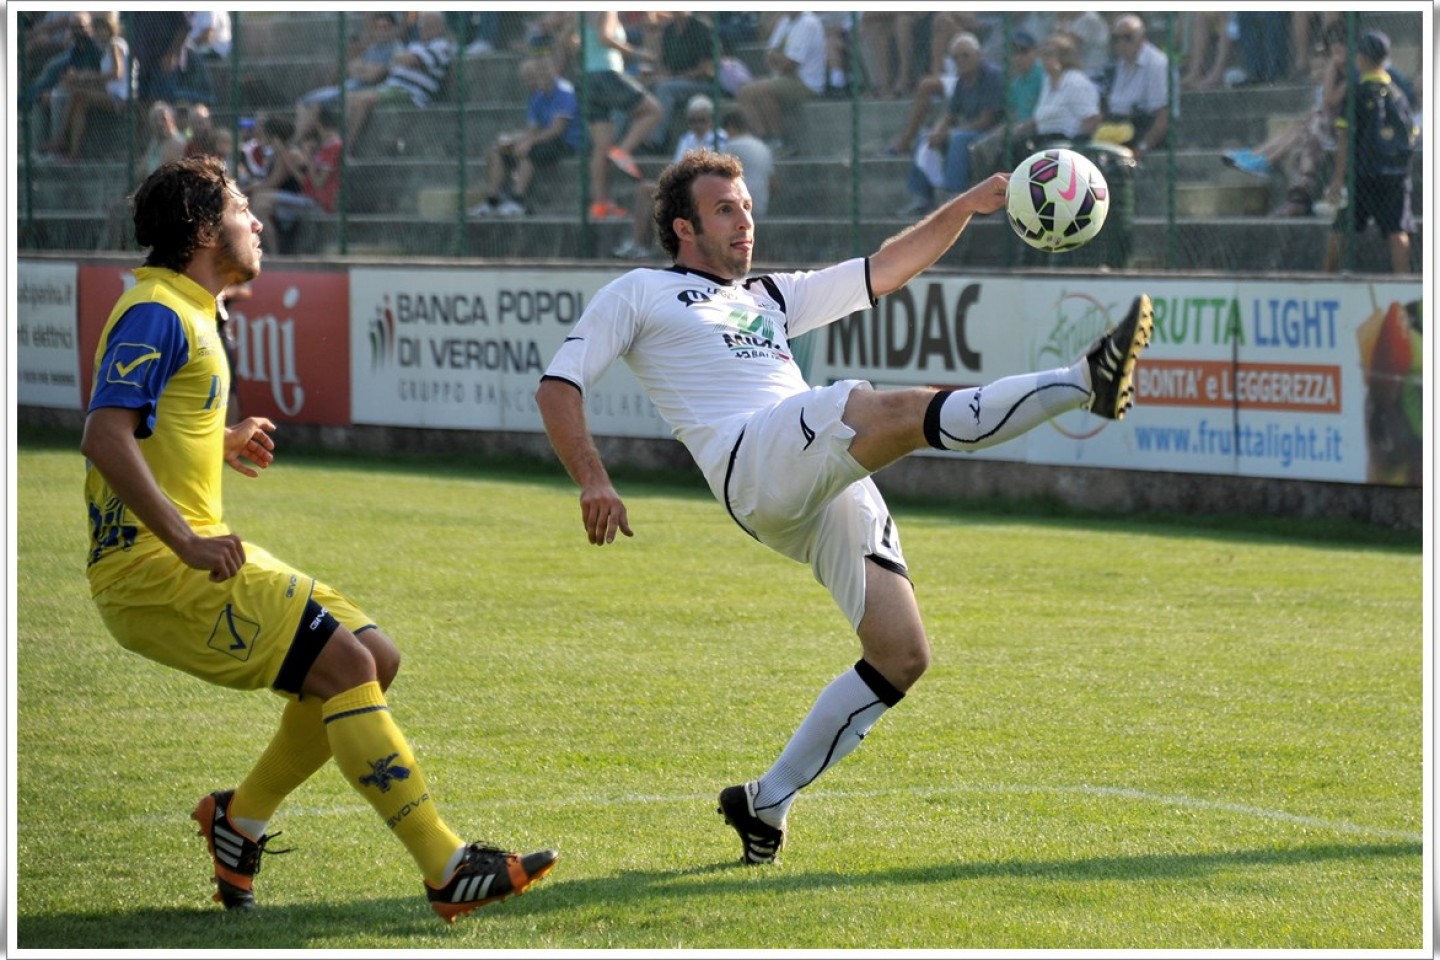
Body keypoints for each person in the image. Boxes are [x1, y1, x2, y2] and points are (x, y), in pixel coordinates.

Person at [533, 148, 1153, 865]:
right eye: (725, 211)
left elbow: (884, 269)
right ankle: (1084, 381)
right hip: (753, 459)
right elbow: (559, 383)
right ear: (683, 229)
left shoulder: (766, 294)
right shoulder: (639, 292)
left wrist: (967, 205)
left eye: (748, 208)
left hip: (806, 476)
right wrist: (593, 479)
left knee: (902, 655)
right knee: (878, 408)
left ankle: (765, 803)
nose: (745, 224)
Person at [80, 155, 557, 920]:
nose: (258, 221)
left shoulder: (187, 309)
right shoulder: (159, 311)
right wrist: (185, 543)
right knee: (343, 664)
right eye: (241, 209)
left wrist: (220, 440)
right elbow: (105, 435)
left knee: (376, 660)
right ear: (204, 230)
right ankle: (445, 866)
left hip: (180, 553)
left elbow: (146, 425)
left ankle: (240, 821)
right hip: (156, 569)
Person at [1322, 31, 1416, 275]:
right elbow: (1411, 134)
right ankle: (1403, 284)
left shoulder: (1356, 92)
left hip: (1361, 174)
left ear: (1361, 58)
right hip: (1394, 175)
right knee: (1397, 230)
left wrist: (1338, 178)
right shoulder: (1398, 94)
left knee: (1340, 227)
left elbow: (1344, 138)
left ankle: (1325, 278)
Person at [898, 32, 1003, 217]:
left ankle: (953, 196)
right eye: (956, 57)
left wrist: (950, 133)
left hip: (990, 132)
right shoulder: (962, 79)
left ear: (978, 55)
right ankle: (922, 197)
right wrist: (938, 131)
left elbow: (988, 119)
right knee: (925, 136)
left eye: (965, 55)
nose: (960, 60)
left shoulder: (992, 76)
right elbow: (950, 114)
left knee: (957, 139)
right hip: (968, 129)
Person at [612, 94, 728, 259]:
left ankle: (650, 246)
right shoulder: (687, 138)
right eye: (693, 120)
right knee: (644, 190)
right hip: (685, 185)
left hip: (706, 189)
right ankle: (639, 245)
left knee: (653, 192)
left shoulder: (719, 137)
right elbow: (677, 166)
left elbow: (710, 168)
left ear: (710, 119)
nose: (697, 125)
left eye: (701, 120)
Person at [469, 53, 580, 219]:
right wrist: (514, 139)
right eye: (529, 77)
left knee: (528, 152)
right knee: (497, 151)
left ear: (553, 70)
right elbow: (532, 129)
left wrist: (528, 143)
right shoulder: (537, 96)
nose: (532, 80)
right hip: (546, 138)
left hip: (567, 141)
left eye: (542, 71)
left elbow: (557, 130)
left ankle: (517, 201)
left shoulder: (564, 91)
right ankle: (492, 202)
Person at [580, 10, 664, 221]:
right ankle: (623, 152)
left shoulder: (581, 12)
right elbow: (605, 37)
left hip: (585, 79)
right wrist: (638, 53)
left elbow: (571, 39)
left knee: (601, 146)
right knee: (653, 110)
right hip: (605, 74)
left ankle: (600, 204)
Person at [345, 11, 457, 149]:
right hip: (391, 86)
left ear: (438, 28)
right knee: (349, 96)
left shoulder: (441, 46)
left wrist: (402, 58)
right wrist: (401, 58)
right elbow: (395, 60)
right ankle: (343, 143)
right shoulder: (416, 45)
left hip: (411, 92)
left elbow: (411, 60)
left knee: (362, 100)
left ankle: (347, 148)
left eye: (428, 25)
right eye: (423, 25)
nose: (423, 28)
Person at [294, 11, 405, 144]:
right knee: (305, 101)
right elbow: (351, 68)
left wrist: (364, 69)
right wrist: (366, 69)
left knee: (311, 102)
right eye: (378, 28)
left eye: (385, 28)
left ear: (393, 28)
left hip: (362, 90)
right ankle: (299, 142)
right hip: (350, 85)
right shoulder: (374, 47)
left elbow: (374, 76)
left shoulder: (397, 49)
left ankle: (297, 143)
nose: (381, 31)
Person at [40, 11, 130, 161]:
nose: (99, 33)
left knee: (78, 94)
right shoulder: (106, 47)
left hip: (120, 98)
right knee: (78, 99)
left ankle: (61, 139)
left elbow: (117, 73)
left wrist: (87, 76)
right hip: (109, 93)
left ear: (110, 29)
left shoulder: (115, 44)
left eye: (103, 29)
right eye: (98, 30)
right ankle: (72, 152)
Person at [736, 11, 827, 158]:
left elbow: (791, 64)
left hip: (806, 84)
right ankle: (772, 142)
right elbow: (768, 56)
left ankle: (773, 142)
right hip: (785, 79)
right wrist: (779, 59)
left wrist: (778, 59)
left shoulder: (808, 22)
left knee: (753, 91)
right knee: (751, 92)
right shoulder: (785, 21)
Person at [1096, 14, 1173, 159]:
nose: (1121, 43)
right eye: (1116, 38)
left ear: (1142, 38)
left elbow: (1162, 118)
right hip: (1116, 127)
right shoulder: (1118, 65)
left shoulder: (1157, 65)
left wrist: (1140, 148)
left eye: (1128, 37)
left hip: (1141, 128)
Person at [643, 12, 720, 155]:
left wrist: (674, 78)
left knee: (665, 89)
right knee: (642, 88)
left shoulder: (701, 27)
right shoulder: (669, 30)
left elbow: (707, 68)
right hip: (676, 82)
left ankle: (655, 142)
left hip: (703, 84)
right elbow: (663, 63)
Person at [718, 110, 776, 217]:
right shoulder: (763, 146)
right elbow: (773, 185)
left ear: (731, 127)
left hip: (739, 206)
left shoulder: (731, 146)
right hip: (761, 207)